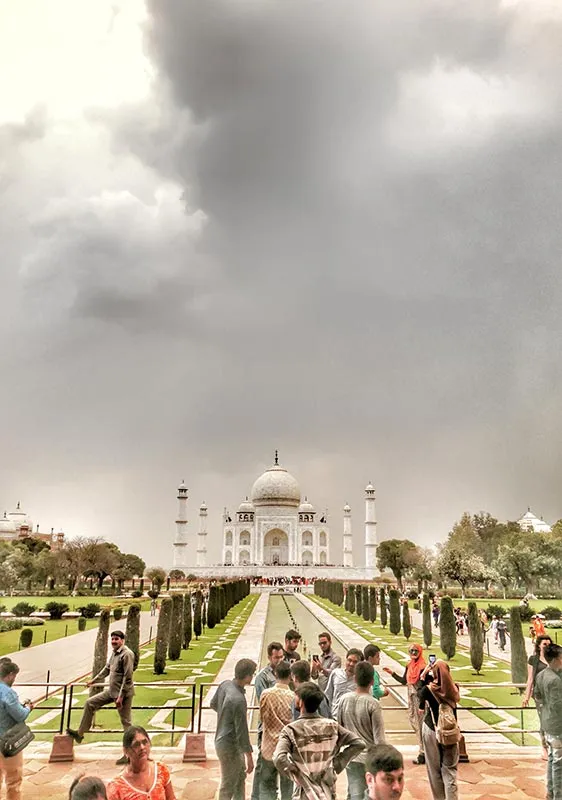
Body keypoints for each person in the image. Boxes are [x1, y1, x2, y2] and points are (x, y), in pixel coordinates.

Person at [273, 682, 365, 800]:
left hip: (304, 794)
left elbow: (279, 758)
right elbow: (358, 744)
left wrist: (296, 774)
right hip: (328, 792)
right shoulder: (332, 726)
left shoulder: (291, 730)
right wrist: (336, 764)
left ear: (301, 702)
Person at [67, 629, 135, 763]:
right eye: (112, 639)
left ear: (122, 640)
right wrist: (93, 680)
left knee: (126, 722)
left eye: (116, 639)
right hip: (112, 691)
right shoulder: (115, 653)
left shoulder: (127, 654)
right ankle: (80, 734)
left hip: (124, 693)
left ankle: (129, 755)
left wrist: (120, 696)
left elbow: (128, 677)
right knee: (90, 703)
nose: (114, 641)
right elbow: (107, 669)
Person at [337, 662, 386, 800]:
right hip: (368, 758)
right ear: (372, 681)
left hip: (350, 756)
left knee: (353, 792)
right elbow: (379, 739)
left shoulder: (343, 700)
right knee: (362, 795)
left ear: (355, 678)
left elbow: (339, 730)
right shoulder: (373, 704)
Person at [210, 658, 256, 800]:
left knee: (239, 778)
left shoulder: (225, 685)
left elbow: (213, 704)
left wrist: (226, 718)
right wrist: (249, 757)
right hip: (230, 746)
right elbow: (242, 732)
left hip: (223, 741)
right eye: (252, 674)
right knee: (228, 784)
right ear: (247, 676)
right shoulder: (238, 700)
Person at [418, 660, 460, 800]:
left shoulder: (428, 690)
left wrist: (423, 675)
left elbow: (419, 694)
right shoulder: (454, 689)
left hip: (432, 729)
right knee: (450, 770)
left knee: (434, 770)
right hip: (450, 731)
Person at [252, 643, 285, 800]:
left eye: (281, 657)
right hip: (267, 729)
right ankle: (256, 796)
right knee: (262, 766)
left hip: (282, 730)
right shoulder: (262, 677)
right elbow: (263, 703)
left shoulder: (285, 673)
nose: (279, 660)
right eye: (276, 657)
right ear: (269, 657)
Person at [383, 644, 426, 765]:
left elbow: (424, 687)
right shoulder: (409, 665)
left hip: (419, 701)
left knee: (421, 726)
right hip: (411, 700)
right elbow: (404, 681)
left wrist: (422, 705)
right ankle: (424, 750)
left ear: (420, 652)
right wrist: (392, 673)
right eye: (411, 651)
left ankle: (423, 753)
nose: (413, 653)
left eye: (416, 651)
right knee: (415, 724)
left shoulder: (423, 667)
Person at [107, 726, 176, 800]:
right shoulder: (117, 786)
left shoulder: (161, 770)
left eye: (145, 742)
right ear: (126, 751)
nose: (142, 747)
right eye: (136, 745)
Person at [259, 661, 294, 800]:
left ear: (275, 674)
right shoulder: (293, 697)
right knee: (287, 789)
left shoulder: (266, 694)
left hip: (268, 747)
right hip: (286, 750)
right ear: (290, 676)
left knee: (267, 788)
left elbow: (262, 718)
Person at [0, 660, 33, 800]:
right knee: (13, 780)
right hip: (8, 742)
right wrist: (28, 708)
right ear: (10, 675)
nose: (14, 679)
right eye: (14, 676)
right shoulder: (8, 693)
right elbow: (20, 715)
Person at [534, 643, 562, 800]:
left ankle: (551, 793)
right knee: (558, 764)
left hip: (546, 723)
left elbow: (537, 696)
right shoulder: (555, 680)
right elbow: (558, 706)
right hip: (557, 726)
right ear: (557, 658)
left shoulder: (542, 675)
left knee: (553, 759)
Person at [522, 633, 553, 761]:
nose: (547, 646)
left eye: (549, 644)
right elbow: (530, 679)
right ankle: (544, 748)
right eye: (544, 644)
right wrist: (526, 696)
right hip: (540, 696)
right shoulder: (533, 660)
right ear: (539, 646)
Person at [325, 648, 363, 718]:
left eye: (355, 662)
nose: (351, 664)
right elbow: (328, 695)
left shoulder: (361, 681)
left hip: (351, 720)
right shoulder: (336, 673)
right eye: (349, 660)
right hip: (334, 717)